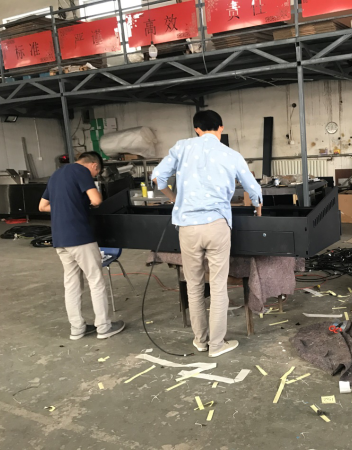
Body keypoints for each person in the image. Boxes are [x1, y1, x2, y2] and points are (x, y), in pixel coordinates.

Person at [152, 110, 262, 358]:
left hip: (187, 227)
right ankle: (217, 345)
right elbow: (254, 190)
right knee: (219, 286)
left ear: (197, 129)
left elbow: (157, 178)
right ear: (221, 128)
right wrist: (258, 209)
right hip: (216, 224)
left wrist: (175, 198)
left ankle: (200, 341)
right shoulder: (231, 154)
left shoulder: (181, 147)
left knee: (194, 285)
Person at [39, 152, 125, 341]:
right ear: (94, 166)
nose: (94, 176)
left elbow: (42, 206)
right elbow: (96, 200)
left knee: (72, 284)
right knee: (95, 280)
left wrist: (66, 207)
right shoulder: (81, 171)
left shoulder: (56, 174)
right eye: (97, 173)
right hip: (80, 237)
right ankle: (104, 327)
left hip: (60, 239)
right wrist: (82, 206)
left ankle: (77, 329)